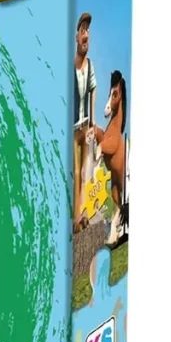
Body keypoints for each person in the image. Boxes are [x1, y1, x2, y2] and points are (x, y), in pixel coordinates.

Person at [73, 12, 97, 225]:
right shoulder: (71, 65)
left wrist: (93, 120)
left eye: (88, 30)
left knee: (85, 171)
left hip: (84, 124)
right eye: (83, 30)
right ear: (77, 37)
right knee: (74, 170)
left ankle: (83, 213)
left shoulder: (89, 65)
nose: (86, 35)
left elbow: (93, 88)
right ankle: (75, 216)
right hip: (72, 128)